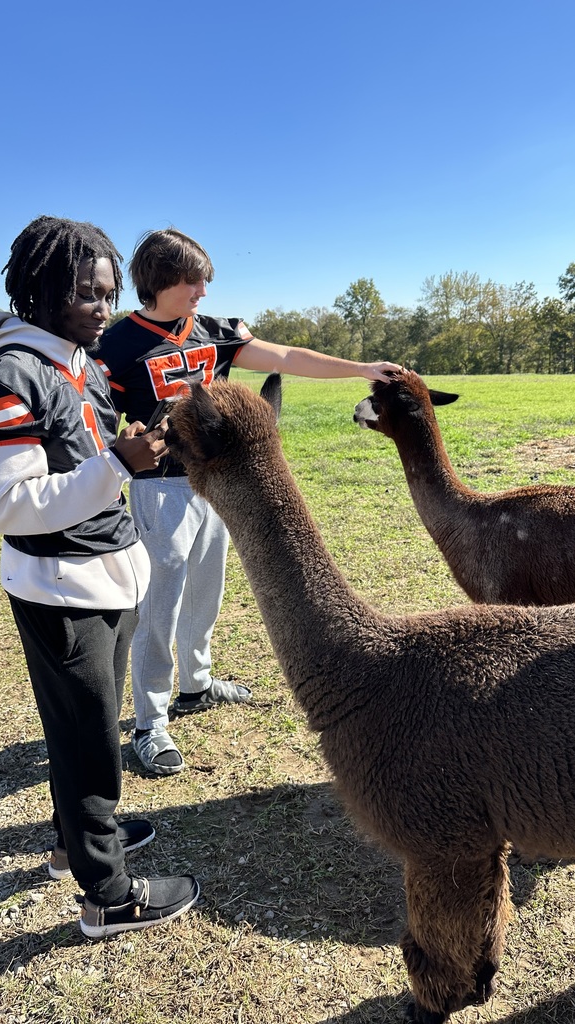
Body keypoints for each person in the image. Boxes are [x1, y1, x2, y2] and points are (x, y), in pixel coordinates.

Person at [0, 216, 199, 938]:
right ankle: (107, 895)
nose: (103, 308)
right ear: (40, 291)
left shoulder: (80, 361)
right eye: (87, 295)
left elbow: (89, 452)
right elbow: (8, 505)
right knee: (88, 739)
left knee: (84, 725)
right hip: (57, 582)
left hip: (106, 567)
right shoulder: (6, 372)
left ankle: (74, 841)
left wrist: (143, 440)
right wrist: (120, 464)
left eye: (108, 293)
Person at [98, 228, 401, 776]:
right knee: (158, 603)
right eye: (193, 281)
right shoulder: (117, 346)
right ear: (162, 280)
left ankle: (196, 683)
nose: (202, 292)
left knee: (207, 587)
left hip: (218, 482)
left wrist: (359, 369)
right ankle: (151, 721)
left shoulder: (214, 331)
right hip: (159, 487)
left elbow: (285, 355)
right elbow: (96, 418)